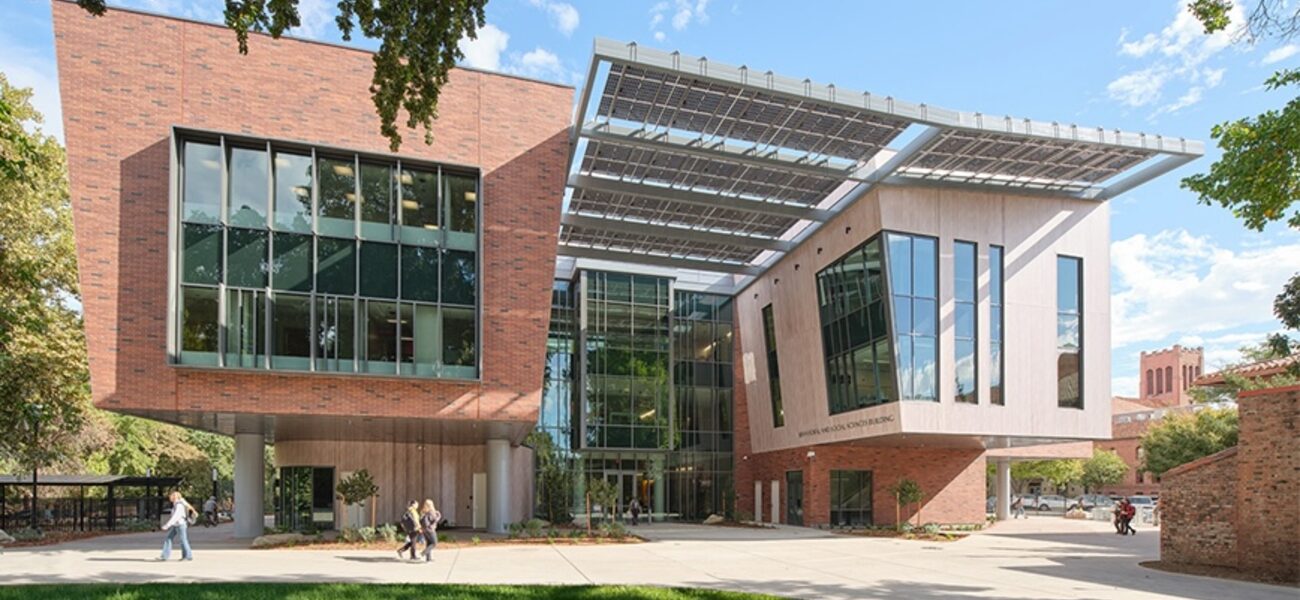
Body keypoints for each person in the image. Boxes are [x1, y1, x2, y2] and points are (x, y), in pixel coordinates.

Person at [158, 491, 196, 561]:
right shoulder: (176, 504)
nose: (170, 497)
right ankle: (165, 556)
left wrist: (167, 525)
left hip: (180, 525)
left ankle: (188, 556)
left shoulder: (179, 505)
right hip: (177, 525)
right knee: (170, 538)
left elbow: (176, 517)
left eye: (171, 496)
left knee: (183, 540)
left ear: (174, 497)